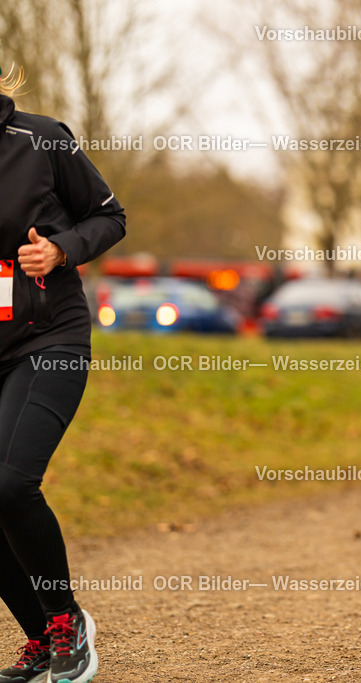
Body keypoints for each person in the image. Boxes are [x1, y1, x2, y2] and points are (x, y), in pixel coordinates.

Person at [0, 60, 125, 683]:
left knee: (9, 484)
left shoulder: (41, 139)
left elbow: (110, 216)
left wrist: (60, 249)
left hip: (48, 337)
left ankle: (65, 618)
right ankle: (43, 636)